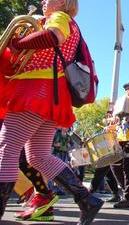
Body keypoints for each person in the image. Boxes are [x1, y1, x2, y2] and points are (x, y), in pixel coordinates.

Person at [0, 1, 103, 224]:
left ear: (64, 2)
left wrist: (17, 44)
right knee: (38, 156)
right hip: (51, 95)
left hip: (36, 91)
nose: (43, 1)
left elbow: (54, 36)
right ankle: (86, 199)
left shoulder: (59, 18)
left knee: (6, 149)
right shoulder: (61, 21)